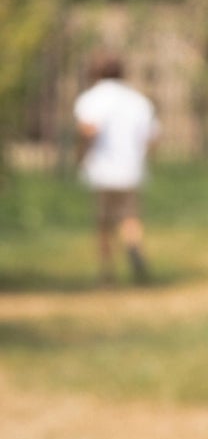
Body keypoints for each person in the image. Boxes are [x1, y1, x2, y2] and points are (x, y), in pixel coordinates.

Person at [72, 52, 160, 284]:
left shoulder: (90, 99)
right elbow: (150, 137)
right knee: (130, 216)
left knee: (103, 222)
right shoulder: (138, 101)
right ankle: (133, 247)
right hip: (130, 169)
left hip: (102, 169)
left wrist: (80, 155)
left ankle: (107, 272)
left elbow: (88, 131)